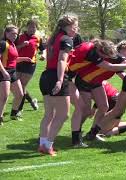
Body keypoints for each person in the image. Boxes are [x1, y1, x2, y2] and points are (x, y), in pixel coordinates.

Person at [68, 39, 126, 145]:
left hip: (96, 83)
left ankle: (92, 133)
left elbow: (125, 74)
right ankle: (76, 132)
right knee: (86, 110)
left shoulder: (116, 56)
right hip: (84, 81)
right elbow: (113, 67)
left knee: (104, 106)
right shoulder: (99, 54)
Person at [38, 15, 78, 156]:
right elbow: (61, 60)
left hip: (46, 76)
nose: (76, 29)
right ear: (66, 26)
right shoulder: (66, 39)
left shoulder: (54, 38)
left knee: (49, 114)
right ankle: (48, 146)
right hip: (56, 76)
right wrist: (60, 80)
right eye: (74, 26)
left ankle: (42, 144)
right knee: (63, 115)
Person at [0, 25, 31, 125]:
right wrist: (4, 72)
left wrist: (24, 58)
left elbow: (13, 60)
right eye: (13, 33)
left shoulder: (12, 44)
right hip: (3, 72)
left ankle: (14, 113)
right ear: (6, 33)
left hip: (13, 72)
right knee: (4, 97)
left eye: (16, 34)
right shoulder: (3, 43)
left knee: (20, 94)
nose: (15, 35)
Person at [16, 19, 45, 112]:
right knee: (19, 86)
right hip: (18, 62)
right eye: (31, 26)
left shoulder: (38, 38)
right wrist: (21, 45)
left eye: (34, 27)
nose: (32, 28)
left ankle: (18, 110)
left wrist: (43, 55)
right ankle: (32, 101)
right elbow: (13, 49)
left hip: (30, 64)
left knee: (22, 85)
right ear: (27, 27)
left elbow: (43, 49)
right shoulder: (19, 37)